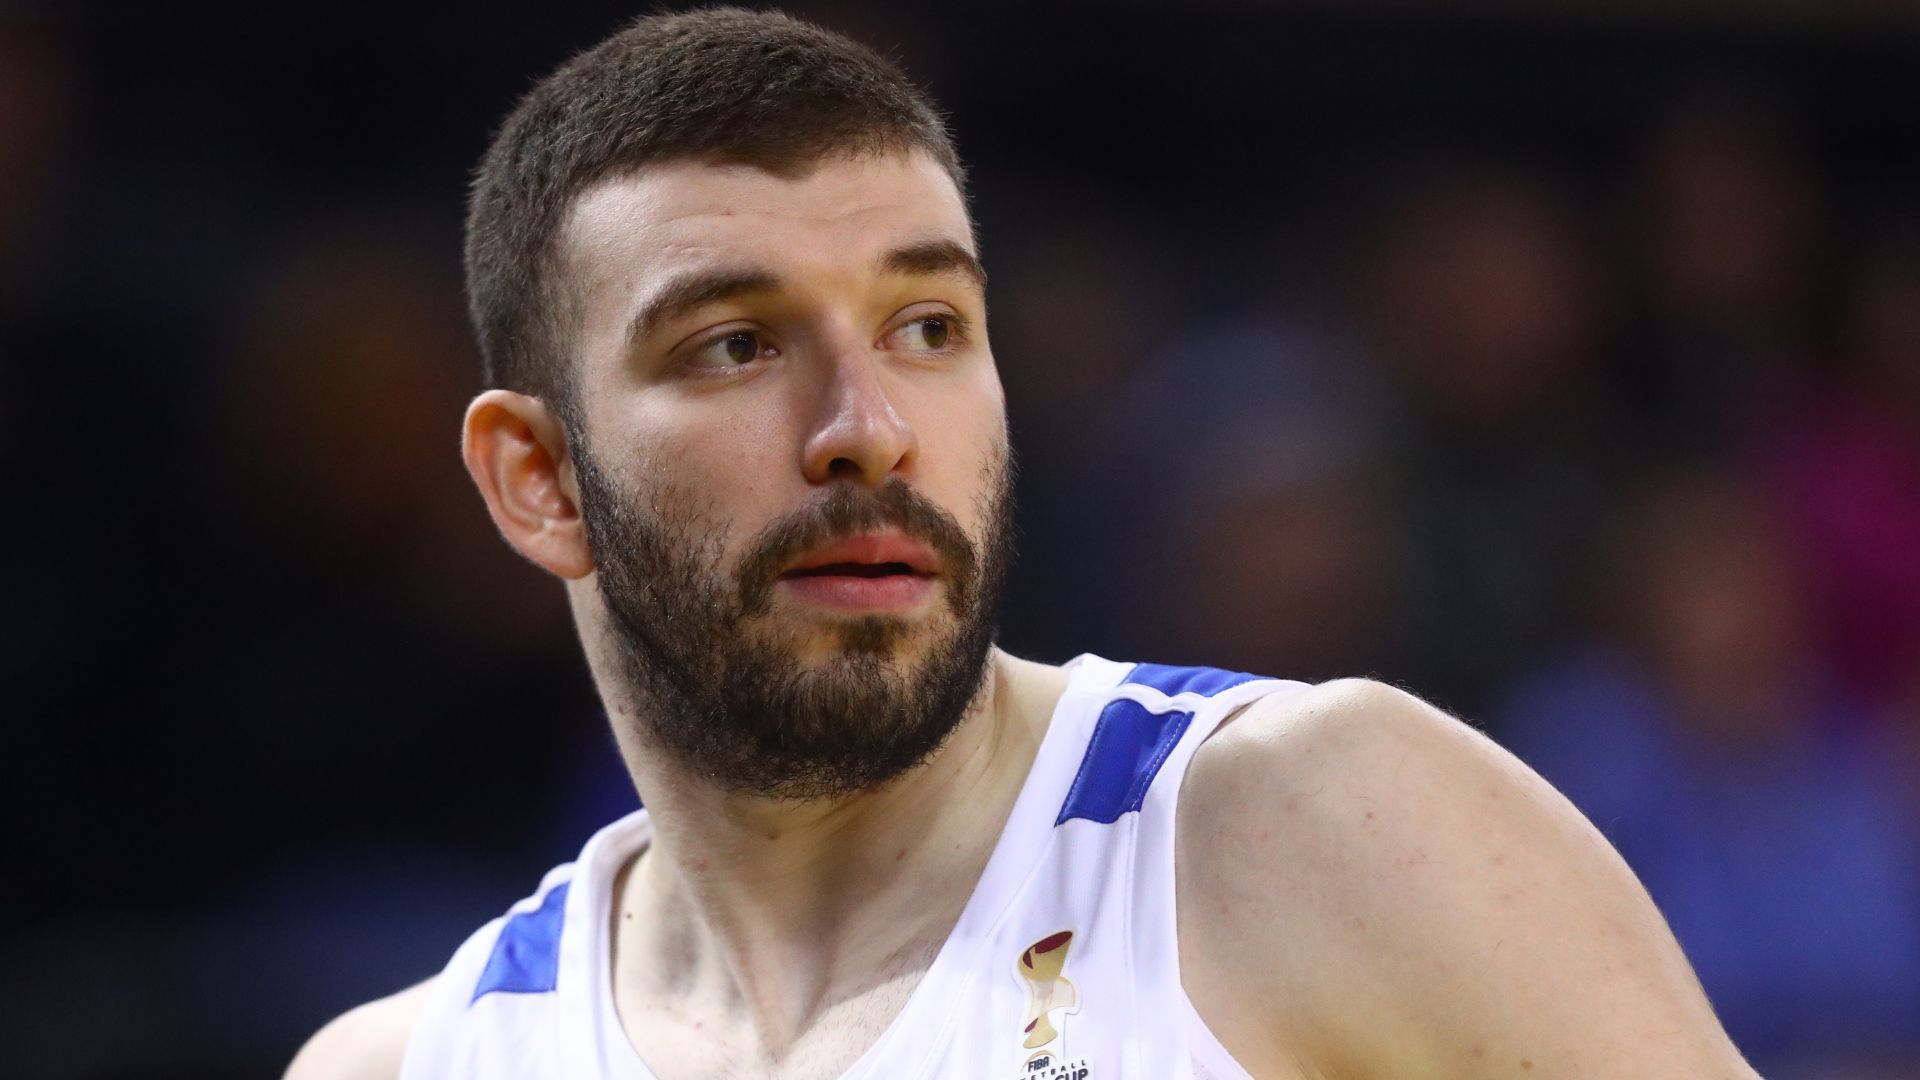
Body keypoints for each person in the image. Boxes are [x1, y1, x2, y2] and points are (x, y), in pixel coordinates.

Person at [286, 9, 1757, 1078]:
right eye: (737, 344)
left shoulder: (1316, 827)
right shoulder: (416, 1061)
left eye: (928, 326)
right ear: (539, 478)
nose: (868, 427)